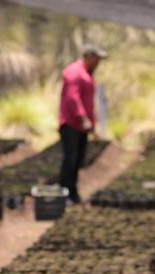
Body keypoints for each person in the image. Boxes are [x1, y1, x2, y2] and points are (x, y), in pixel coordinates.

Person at [58, 44, 106, 204]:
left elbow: (88, 101)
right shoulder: (75, 72)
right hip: (71, 124)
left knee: (78, 160)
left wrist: (92, 123)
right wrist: (83, 118)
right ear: (88, 56)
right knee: (70, 159)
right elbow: (72, 98)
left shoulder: (87, 73)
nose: (98, 62)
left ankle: (72, 192)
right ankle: (64, 192)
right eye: (96, 58)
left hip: (81, 126)